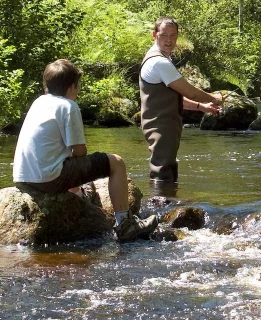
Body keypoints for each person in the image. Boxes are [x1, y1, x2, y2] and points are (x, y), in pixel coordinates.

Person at [13, 59, 158, 243]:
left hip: (24, 176)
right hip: (48, 179)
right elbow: (79, 152)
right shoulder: (68, 106)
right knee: (116, 162)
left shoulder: (38, 102)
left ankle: (78, 192)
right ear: (72, 86)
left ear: (46, 85)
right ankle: (125, 224)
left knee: (69, 165)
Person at [139, 17, 224, 183]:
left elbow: (174, 96)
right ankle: (160, 208)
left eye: (173, 35)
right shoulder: (159, 62)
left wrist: (202, 107)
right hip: (161, 126)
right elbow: (189, 92)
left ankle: (168, 205)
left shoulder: (159, 58)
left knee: (168, 168)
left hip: (162, 125)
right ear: (154, 35)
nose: (169, 40)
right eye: (164, 35)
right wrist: (215, 98)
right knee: (162, 172)